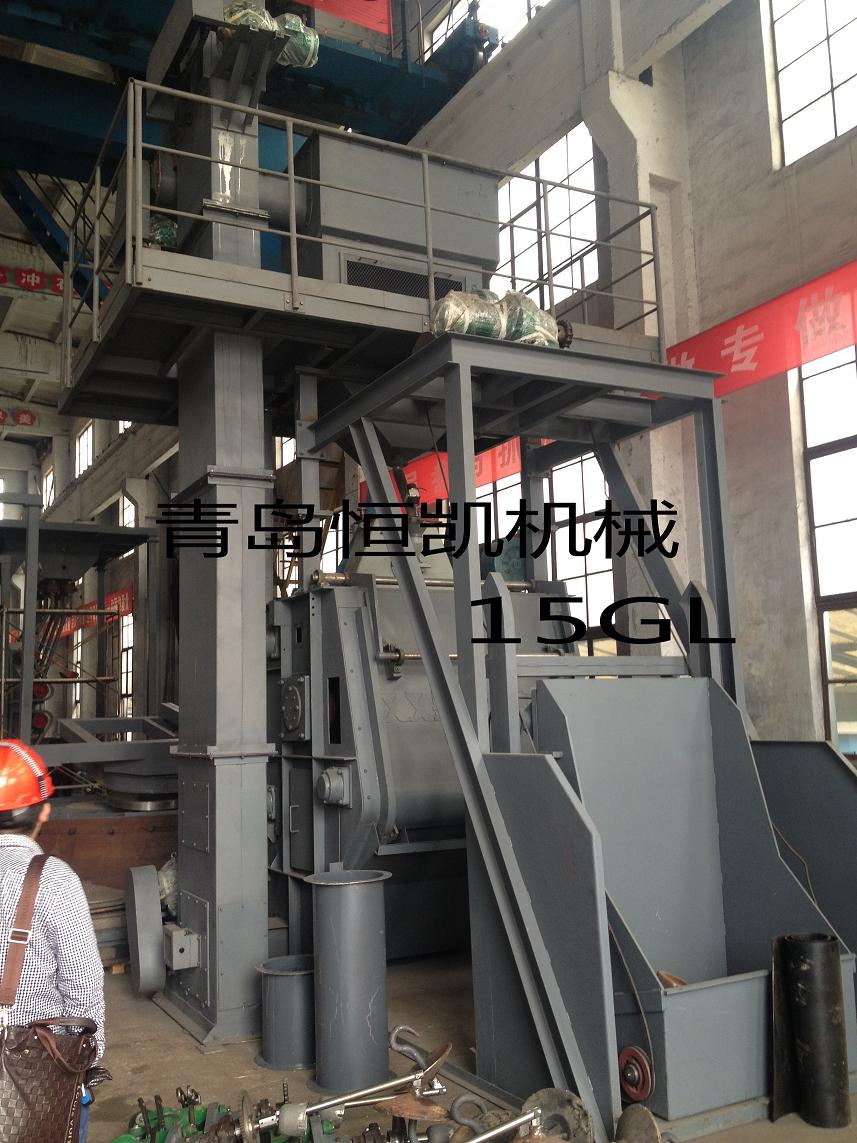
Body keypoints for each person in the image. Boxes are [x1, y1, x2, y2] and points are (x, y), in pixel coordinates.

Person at [0, 739, 105, 1142]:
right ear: (42, 810)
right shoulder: (53, 880)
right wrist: (84, 1070)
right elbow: (84, 992)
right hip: (36, 1082)